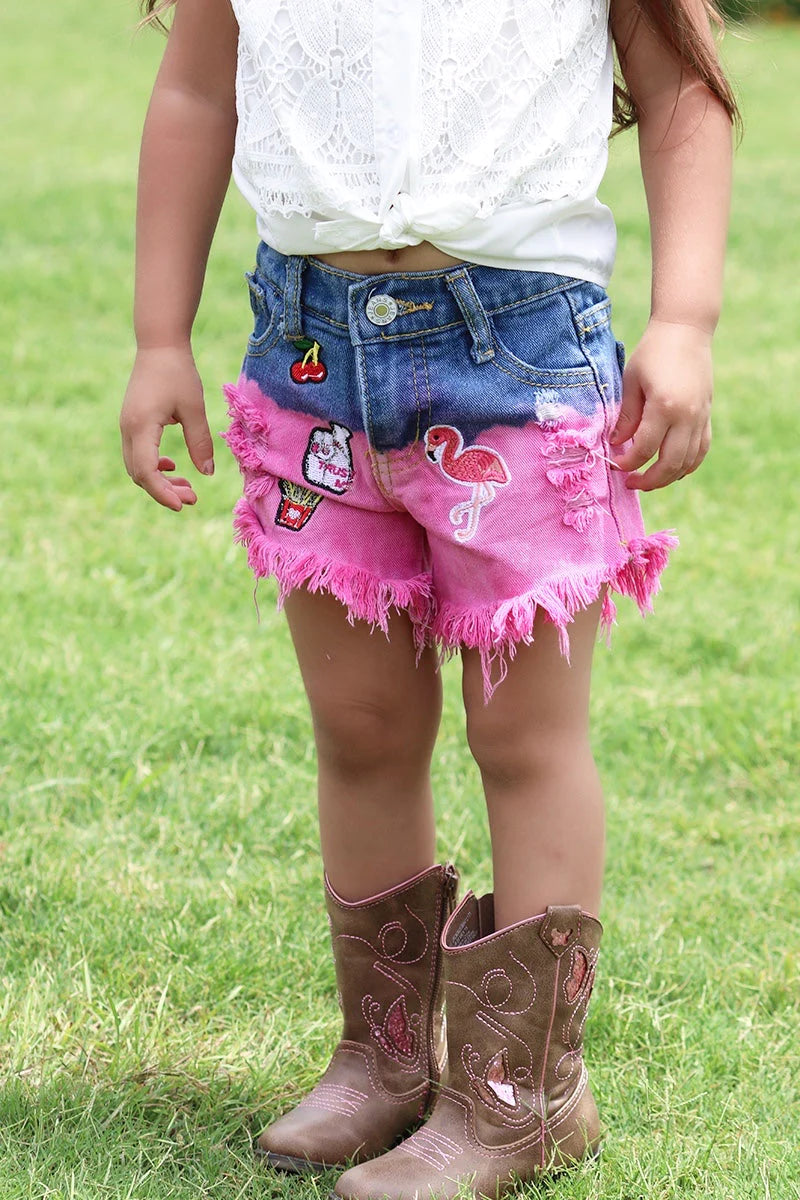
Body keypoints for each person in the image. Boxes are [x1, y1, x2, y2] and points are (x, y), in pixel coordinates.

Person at [120, 1, 737, 1196]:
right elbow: (198, 91)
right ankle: (385, 1058)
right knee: (360, 725)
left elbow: (681, 88)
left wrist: (683, 320)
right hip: (306, 350)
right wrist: (158, 338)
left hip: (516, 354)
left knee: (522, 734)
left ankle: (522, 1097)